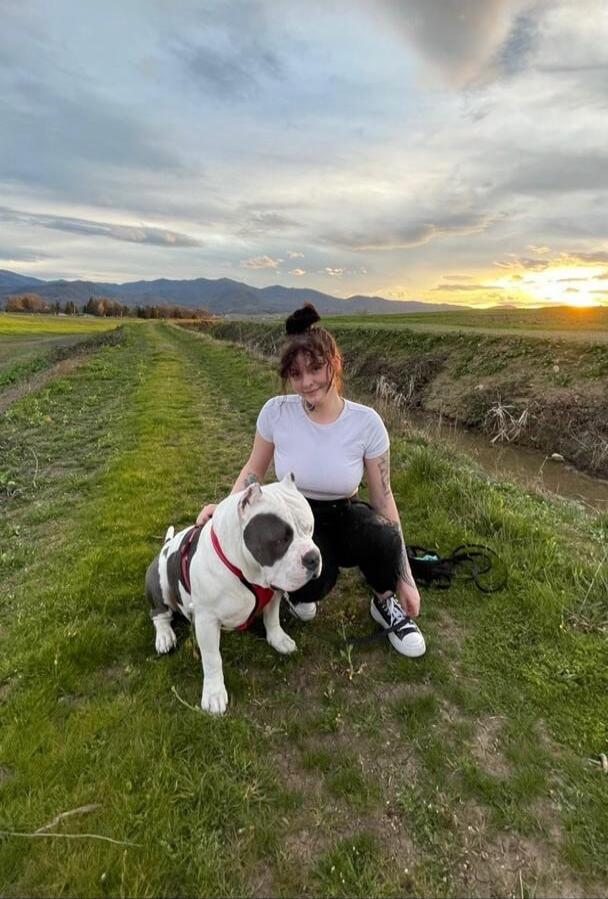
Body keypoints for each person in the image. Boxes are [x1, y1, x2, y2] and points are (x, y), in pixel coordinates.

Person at [196, 303, 425, 657]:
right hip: (296, 518)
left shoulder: (367, 424)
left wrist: (404, 579)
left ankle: (384, 602)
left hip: (345, 514)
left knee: (380, 532)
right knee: (310, 588)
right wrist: (224, 511)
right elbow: (252, 470)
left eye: (315, 369)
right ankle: (297, 594)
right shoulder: (276, 412)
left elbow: (384, 499)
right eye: (296, 374)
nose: (306, 383)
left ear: (334, 363)